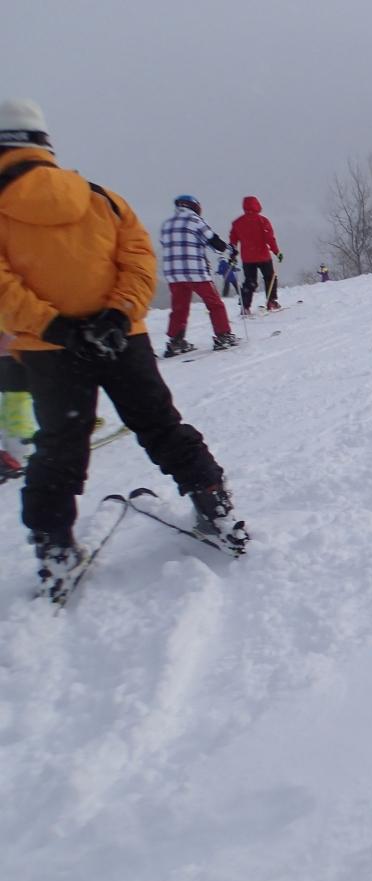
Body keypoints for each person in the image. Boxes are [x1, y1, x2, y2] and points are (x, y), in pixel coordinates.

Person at [0, 98, 248, 597]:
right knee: (159, 423)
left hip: (50, 351)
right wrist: (117, 314)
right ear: (44, 144)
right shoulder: (103, 199)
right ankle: (213, 502)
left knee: (59, 446)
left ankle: (55, 547)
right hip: (123, 340)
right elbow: (138, 260)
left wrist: (56, 328)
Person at [159, 195, 239, 356]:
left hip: (174, 274)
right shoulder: (195, 220)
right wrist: (230, 250)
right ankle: (223, 335)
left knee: (179, 308)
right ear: (194, 206)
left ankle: (175, 341)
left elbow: (166, 244)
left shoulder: (167, 224)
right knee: (214, 304)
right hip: (195, 272)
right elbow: (213, 241)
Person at [229, 196, 283, 314]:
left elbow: (233, 241)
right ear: (257, 205)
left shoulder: (237, 223)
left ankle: (245, 306)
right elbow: (270, 238)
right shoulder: (263, 221)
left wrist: (232, 255)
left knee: (250, 281)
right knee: (270, 278)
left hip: (248, 258)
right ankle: (271, 301)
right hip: (263, 256)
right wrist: (277, 252)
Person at [0, 331, 34, 482]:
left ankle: (13, 454)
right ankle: (18, 455)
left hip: (12, 347)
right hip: (16, 347)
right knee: (17, 399)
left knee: (11, 399)